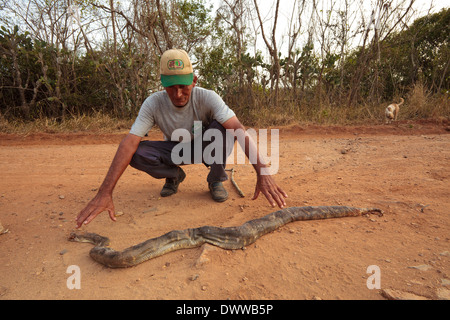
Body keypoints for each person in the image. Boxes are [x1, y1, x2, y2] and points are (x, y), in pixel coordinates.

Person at [75, 49, 287, 228]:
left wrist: (263, 172)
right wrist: (105, 192)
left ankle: (215, 179)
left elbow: (238, 129)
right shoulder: (153, 103)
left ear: (194, 81)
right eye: (171, 86)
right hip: (176, 151)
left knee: (224, 130)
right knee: (136, 152)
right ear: (162, 83)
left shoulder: (207, 97)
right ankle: (174, 175)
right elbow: (130, 141)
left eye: (183, 86)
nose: (177, 94)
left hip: (206, 148)